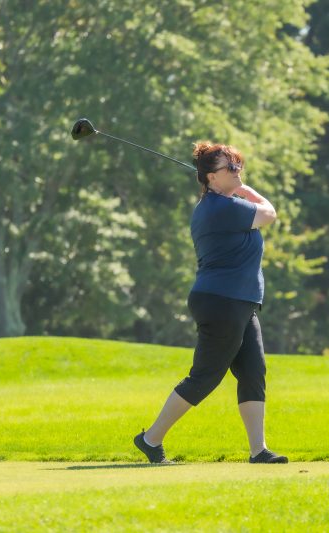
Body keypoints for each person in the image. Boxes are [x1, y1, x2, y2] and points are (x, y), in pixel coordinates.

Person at [134, 142, 288, 464]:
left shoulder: (223, 204)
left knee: (252, 372)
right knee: (205, 377)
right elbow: (270, 214)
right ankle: (150, 439)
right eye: (229, 168)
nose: (237, 171)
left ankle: (259, 450)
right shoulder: (221, 208)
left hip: (239, 302)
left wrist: (238, 189)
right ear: (211, 179)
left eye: (238, 165)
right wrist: (247, 190)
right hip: (222, 301)